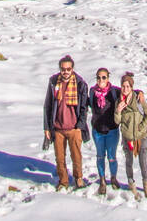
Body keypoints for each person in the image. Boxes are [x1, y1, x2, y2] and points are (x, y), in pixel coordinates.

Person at [43, 55, 89, 191]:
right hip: (58, 127)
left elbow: (84, 107)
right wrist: (47, 127)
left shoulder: (80, 84)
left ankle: (78, 178)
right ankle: (63, 181)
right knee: (60, 157)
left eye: (68, 69)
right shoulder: (53, 82)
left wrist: (80, 126)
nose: (66, 72)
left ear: (72, 69)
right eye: (63, 69)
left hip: (74, 127)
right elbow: (48, 105)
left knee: (76, 156)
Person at [114, 71, 147, 199]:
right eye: (123, 86)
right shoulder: (119, 102)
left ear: (131, 87)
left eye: (128, 86)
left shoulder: (138, 100)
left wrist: (141, 127)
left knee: (143, 162)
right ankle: (131, 184)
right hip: (128, 138)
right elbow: (117, 121)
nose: (125, 89)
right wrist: (118, 111)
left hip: (141, 137)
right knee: (129, 162)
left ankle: (146, 186)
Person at [88, 68, 121, 196]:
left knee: (112, 157)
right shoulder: (92, 92)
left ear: (108, 78)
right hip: (97, 130)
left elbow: (128, 92)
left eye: (104, 77)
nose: (101, 80)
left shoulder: (114, 92)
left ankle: (113, 177)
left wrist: (139, 92)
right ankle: (102, 180)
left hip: (112, 129)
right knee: (100, 156)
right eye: (99, 77)